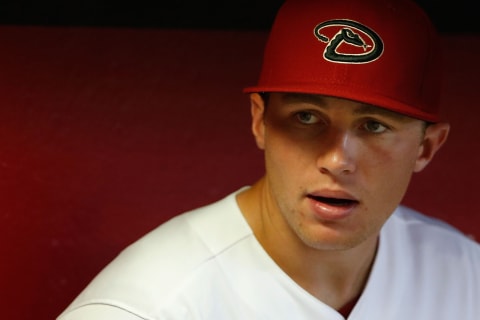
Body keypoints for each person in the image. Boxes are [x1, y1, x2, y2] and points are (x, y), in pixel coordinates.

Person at [57, 0, 480, 319]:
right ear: (260, 122)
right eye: (307, 118)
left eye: (373, 126)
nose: (337, 159)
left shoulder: (465, 275)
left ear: (427, 147)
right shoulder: (146, 307)